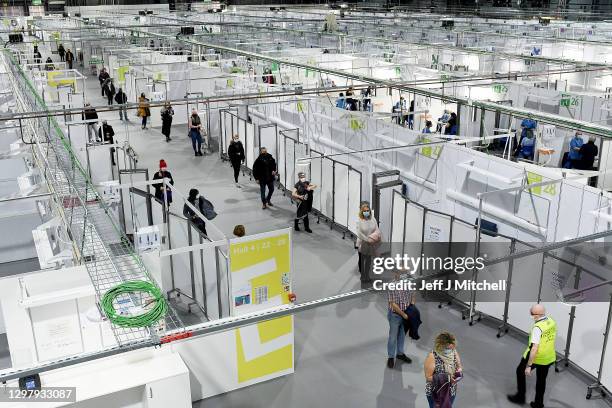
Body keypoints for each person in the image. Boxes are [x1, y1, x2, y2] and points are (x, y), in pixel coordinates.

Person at [508, 304, 557, 408]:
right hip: (549, 356)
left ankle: (520, 397)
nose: (531, 314)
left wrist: (529, 366)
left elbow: (534, 348)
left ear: (536, 315)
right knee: (541, 380)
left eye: (532, 313)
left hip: (537, 356)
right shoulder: (551, 321)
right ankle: (538, 404)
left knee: (520, 371)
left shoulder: (537, 328)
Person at [425, 332, 463, 408]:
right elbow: (428, 377)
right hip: (436, 392)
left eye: (452, 346)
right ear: (441, 346)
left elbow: (459, 366)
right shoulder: (432, 356)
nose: (451, 349)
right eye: (448, 348)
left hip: (451, 390)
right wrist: (447, 378)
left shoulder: (453, 351)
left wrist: (459, 372)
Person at [387, 271, 414, 369]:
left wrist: (412, 308)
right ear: (396, 274)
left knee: (402, 335)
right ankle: (391, 357)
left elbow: (412, 295)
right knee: (393, 337)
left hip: (406, 314)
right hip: (395, 315)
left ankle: (400, 353)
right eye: (401, 273)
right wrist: (403, 314)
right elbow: (392, 304)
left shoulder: (408, 283)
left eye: (405, 273)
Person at [355, 201, 382, 284]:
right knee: (362, 260)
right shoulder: (359, 221)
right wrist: (367, 239)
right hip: (363, 243)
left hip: (371, 243)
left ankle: (367, 275)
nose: (366, 212)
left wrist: (373, 238)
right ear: (362, 212)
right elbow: (359, 233)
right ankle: (363, 276)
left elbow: (377, 229)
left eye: (368, 211)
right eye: (365, 211)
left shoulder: (373, 219)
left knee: (368, 261)